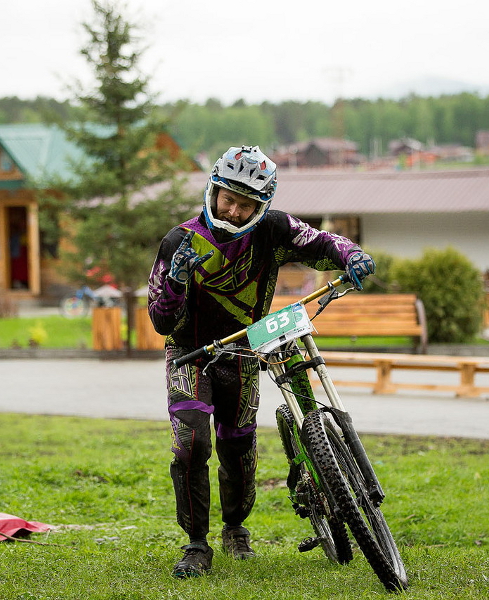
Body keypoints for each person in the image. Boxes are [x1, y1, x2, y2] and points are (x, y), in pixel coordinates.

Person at [147, 145, 376, 578]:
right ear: (212, 190)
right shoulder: (179, 240)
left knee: (239, 445)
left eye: (245, 204)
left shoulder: (272, 228)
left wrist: (351, 254)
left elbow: (321, 241)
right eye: (227, 198)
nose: (233, 210)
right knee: (192, 443)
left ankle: (236, 529)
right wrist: (176, 279)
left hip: (245, 349)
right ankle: (197, 544)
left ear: (261, 206)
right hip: (190, 354)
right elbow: (160, 321)